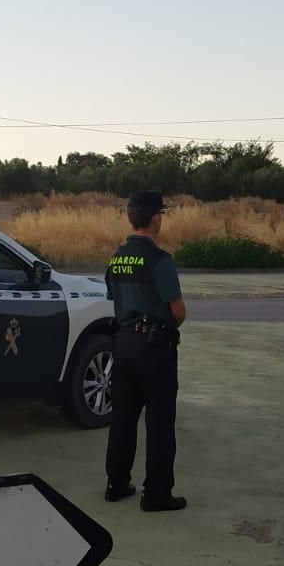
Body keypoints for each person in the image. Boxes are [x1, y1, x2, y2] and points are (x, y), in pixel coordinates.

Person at [104, 189, 187, 511]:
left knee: (123, 417)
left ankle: (117, 483)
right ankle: (156, 493)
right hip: (154, 348)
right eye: (161, 214)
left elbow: (114, 296)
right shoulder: (159, 260)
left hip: (123, 344)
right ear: (155, 218)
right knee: (160, 422)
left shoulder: (117, 256)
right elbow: (177, 311)